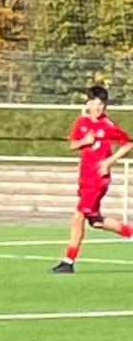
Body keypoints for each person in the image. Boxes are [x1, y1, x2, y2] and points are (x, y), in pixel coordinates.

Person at [50, 84, 133, 273]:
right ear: (88, 103)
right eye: (94, 103)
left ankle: (68, 261)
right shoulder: (81, 122)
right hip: (85, 178)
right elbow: (72, 145)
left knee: (78, 217)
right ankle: (130, 232)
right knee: (95, 221)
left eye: (101, 104)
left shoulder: (108, 125)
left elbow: (128, 144)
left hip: (98, 180)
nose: (98, 107)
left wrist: (108, 162)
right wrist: (84, 141)